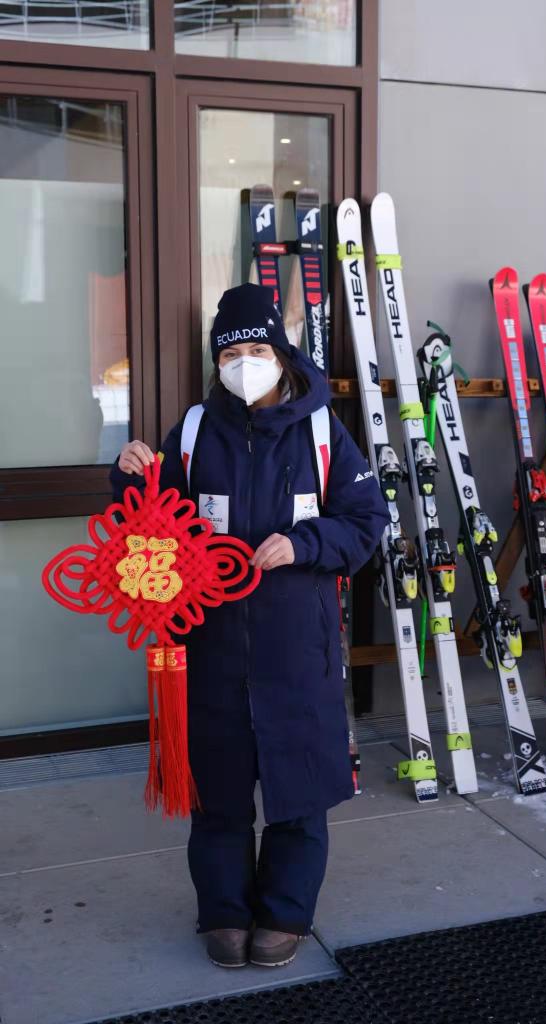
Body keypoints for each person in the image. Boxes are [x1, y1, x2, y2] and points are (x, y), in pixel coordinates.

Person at [110, 282, 389, 969]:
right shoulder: (196, 431)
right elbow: (150, 526)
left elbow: (366, 521)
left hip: (299, 647)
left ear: (281, 354)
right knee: (218, 793)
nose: (244, 365)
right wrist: (131, 480)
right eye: (231, 355)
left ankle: (286, 912)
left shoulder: (322, 431)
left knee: (299, 793)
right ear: (217, 362)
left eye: (257, 351)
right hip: (212, 647)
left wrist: (304, 543)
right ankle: (225, 912)